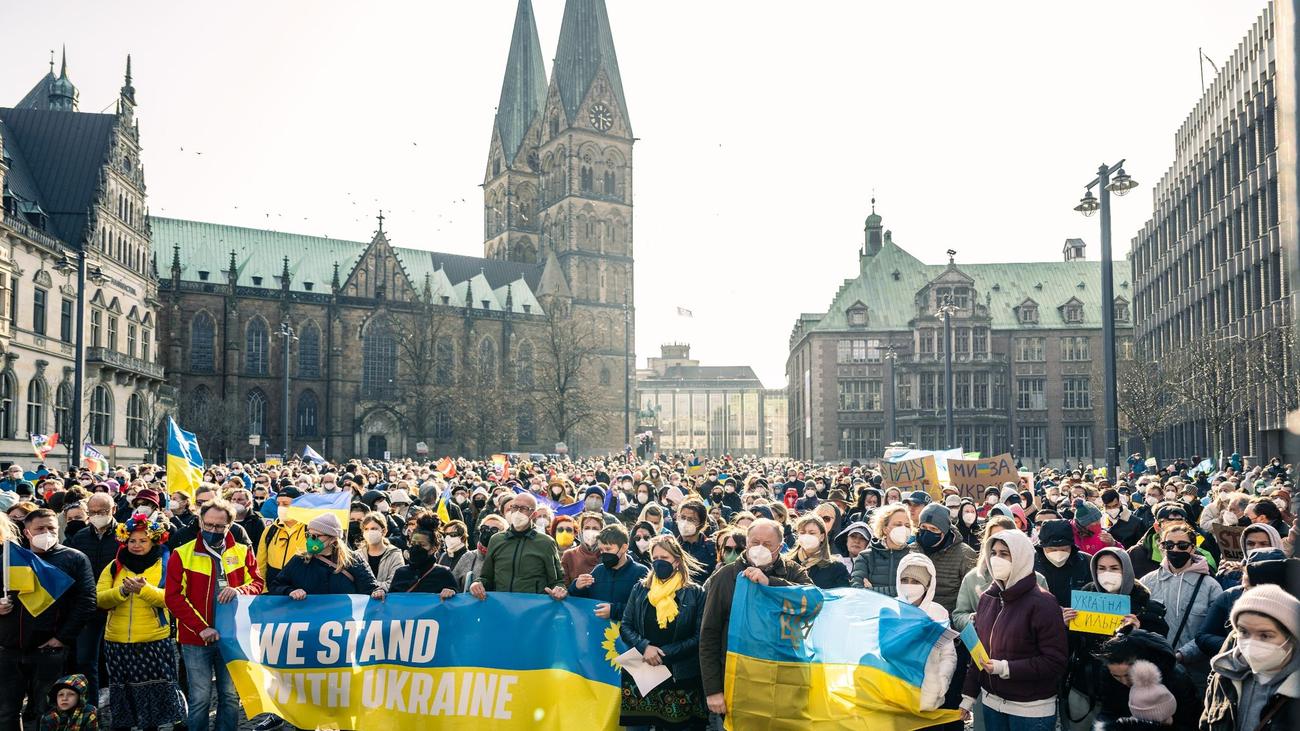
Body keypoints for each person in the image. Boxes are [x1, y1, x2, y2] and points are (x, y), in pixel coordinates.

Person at [165, 499, 264, 731]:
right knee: (200, 699)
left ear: (230, 525)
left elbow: (257, 583)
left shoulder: (242, 550)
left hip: (232, 636)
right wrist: (201, 628)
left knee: (229, 696)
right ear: (200, 522)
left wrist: (240, 590)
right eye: (208, 525)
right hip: (195, 638)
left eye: (219, 527)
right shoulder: (182, 553)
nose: (212, 530)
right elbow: (173, 598)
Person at [699, 518, 811, 717]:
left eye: (767, 544)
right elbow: (709, 635)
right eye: (755, 543)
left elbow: (812, 602)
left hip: (783, 682)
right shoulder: (725, 577)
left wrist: (771, 584)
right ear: (747, 543)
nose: (760, 548)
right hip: (736, 681)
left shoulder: (794, 572)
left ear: (781, 546)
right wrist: (713, 690)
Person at [959, 529, 1068, 731]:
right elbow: (979, 653)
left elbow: (1054, 662)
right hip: (992, 706)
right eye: (993, 553)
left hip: (1030, 711)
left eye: (1004, 554)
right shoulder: (987, 599)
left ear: (1021, 558)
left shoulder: (1043, 603)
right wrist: (968, 696)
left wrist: (1005, 668)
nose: (996, 559)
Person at [0, 509, 96, 731]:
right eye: (39, 529)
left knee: (49, 713)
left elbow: (86, 602)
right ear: (27, 532)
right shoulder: (8, 558)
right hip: (9, 649)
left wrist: (61, 638)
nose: (46, 533)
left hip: (49, 650)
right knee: (7, 713)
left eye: (51, 528)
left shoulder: (74, 558)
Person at [1063, 550, 1174, 729]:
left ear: (1127, 571)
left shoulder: (1145, 605)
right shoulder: (1086, 598)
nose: (1107, 573)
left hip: (1125, 693)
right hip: (1084, 687)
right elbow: (1072, 646)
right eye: (1101, 568)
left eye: (1114, 568)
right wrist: (1066, 627)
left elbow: (1161, 652)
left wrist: (1139, 632)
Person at [94, 512, 183, 731]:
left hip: (153, 639)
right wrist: (122, 591)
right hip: (117, 640)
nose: (136, 545)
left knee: (155, 691)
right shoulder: (114, 566)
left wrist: (144, 590)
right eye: (132, 540)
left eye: (143, 540)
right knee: (123, 691)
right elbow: (99, 599)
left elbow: (171, 599)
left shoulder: (166, 564)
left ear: (153, 540)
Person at [619, 534, 707, 730]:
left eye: (664, 559)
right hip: (642, 671)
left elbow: (699, 636)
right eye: (655, 558)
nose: (659, 563)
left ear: (676, 561)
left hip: (679, 674)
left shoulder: (695, 593)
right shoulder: (640, 589)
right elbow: (626, 626)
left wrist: (663, 653)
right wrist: (645, 647)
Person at [1200, 584, 1299, 730]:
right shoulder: (1224, 676)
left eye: (1265, 635)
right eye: (1244, 632)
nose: (1251, 644)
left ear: (1291, 638)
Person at [1140, 522, 1224, 692]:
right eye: (1169, 545)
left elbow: (1214, 631)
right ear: (1161, 547)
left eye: (1182, 545)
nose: (1175, 550)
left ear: (1193, 548)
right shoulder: (1147, 582)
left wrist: (1182, 655)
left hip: (1195, 675)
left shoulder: (1210, 586)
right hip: (1155, 671)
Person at [66, 492, 122, 704]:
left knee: (117, 658)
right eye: (93, 512)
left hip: (118, 603)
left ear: (114, 510)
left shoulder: (125, 534)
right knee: (86, 659)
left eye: (103, 512)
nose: (98, 516)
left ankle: (120, 700)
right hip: (89, 605)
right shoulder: (80, 537)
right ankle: (91, 707)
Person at [469, 493, 567, 600]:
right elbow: (486, 577)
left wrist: (559, 589)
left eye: (524, 508)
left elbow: (557, 581)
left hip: (532, 608)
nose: (517, 512)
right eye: (515, 507)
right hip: (502, 606)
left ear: (533, 515)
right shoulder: (496, 540)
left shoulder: (546, 543)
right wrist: (477, 583)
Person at [571, 523, 649, 621]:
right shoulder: (598, 571)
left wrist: (614, 611)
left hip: (626, 634)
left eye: (608, 549)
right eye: (601, 550)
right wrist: (577, 587)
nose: (604, 553)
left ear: (624, 548)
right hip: (600, 632)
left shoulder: (640, 572)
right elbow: (581, 602)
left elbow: (644, 609)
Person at [915, 503, 978, 614]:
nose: (927, 533)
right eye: (923, 527)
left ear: (945, 531)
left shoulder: (965, 554)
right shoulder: (912, 550)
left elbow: (971, 596)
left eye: (933, 529)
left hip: (948, 622)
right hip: (916, 617)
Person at [850, 503, 914, 596]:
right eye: (898, 524)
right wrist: (897, 590)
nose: (903, 529)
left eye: (907, 525)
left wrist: (871, 590)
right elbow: (857, 590)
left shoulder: (913, 558)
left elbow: (911, 592)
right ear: (885, 528)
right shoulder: (865, 557)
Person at [389, 515, 457, 597]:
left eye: (422, 545)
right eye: (413, 544)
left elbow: (456, 602)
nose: (416, 548)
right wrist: (380, 592)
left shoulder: (443, 574)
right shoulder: (400, 573)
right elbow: (390, 601)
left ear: (433, 549)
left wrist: (451, 591)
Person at [1034, 518, 1092, 608]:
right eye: (1052, 550)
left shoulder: (1086, 561)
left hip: (1078, 618)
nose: (1058, 553)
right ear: (1042, 548)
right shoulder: (1031, 563)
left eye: (1064, 549)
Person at [785, 513, 849, 588]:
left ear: (822, 537)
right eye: (802, 533)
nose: (806, 536)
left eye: (812, 533)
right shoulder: (787, 563)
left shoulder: (836, 568)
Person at [452, 514, 505, 590]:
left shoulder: (507, 558)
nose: (487, 532)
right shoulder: (468, 557)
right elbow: (452, 584)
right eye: (484, 528)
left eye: (494, 530)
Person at [358, 512, 404, 591]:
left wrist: (372, 588)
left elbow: (395, 582)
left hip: (385, 601)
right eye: (366, 529)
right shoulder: (357, 555)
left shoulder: (395, 555)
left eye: (374, 529)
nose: (369, 532)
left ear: (383, 531)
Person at [674, 500, 716, 581]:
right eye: (682, 517)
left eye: (691, 520)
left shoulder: (712, 548)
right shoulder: (671, 546)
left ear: (701, 524)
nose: (685, 522)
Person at [561, 512, 606, 585]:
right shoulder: (569, 555)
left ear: (602, 531)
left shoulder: (607, 555)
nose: (591, 531)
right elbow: (564, 585)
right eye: (587, 528)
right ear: (581, 531)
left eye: (595, 528)